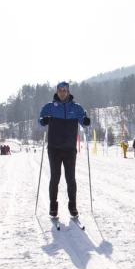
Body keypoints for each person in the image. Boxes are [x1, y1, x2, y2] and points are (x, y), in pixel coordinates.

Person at [38, 82, 91, 218]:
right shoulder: (49, 106)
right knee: (55, 177)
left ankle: (72, 205)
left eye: (64, 90)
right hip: (54, 148)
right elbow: (40, 120)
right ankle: (53, 206)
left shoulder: (76, 107)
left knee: (70, 178)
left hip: (69, 148)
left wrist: (86, 121)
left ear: (68, 92)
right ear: (57, 91)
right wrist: (44, 120)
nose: (62, 93)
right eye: (60, 90)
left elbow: (84, 122)